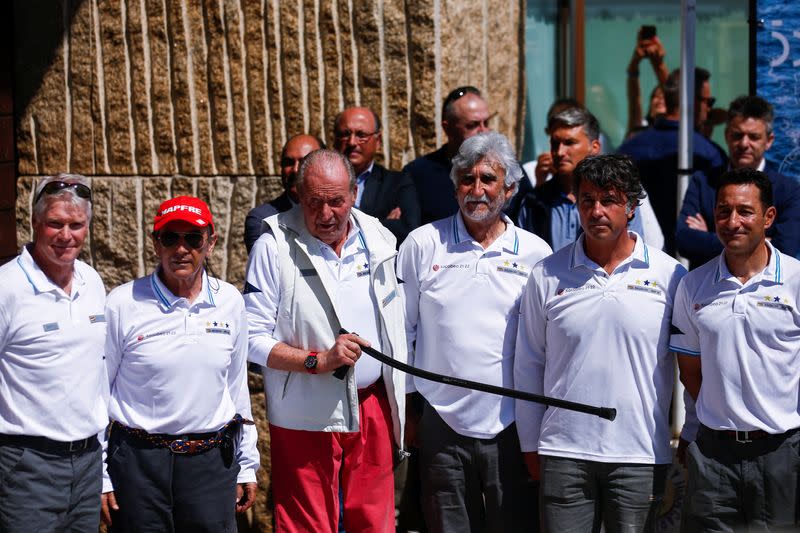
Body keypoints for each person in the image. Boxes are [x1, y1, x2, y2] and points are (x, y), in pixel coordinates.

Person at [515, 154, 686, 532]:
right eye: (587, 199)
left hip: (639, 453)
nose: (597, 211)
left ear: (630, 206)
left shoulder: (670, 275)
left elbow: (689, 368)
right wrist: (530, 444)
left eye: (608, 200)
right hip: (563, 452)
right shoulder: (546, 273)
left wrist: (687, 434)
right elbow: (528, 365)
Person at [244, 149, 406, 533]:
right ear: (299, 194)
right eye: (315, 201)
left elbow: (399, 322)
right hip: (303, 413)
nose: (327, 213)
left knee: (375, 521)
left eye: (336, 201)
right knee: (306, 524)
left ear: (354, 193)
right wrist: (317, 360)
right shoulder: (273, 243)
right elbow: (251, 338)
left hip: (372, 405)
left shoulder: (379, 237)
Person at [397, 132, 551, 532]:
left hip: (512, 422)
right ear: (454, 186)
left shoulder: (536, 254)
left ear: (510, 189)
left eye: (488, 179)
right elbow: (404, 331)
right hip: (440, 421)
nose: (476, 189)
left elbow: (543, 344)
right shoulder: (422, 243)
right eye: (467, 179)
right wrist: (413, 410)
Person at [101, 196, 259, 531]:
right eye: (170, 238)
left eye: (193, 238)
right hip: (138, 463)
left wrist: (247, 464)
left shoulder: (230, 301)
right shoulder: (122, 303)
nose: (181, 249)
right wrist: (102, 475)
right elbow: (99, 393)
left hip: (211, 464)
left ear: (210, 242)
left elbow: (236, 389)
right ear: (156, 244)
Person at [671, 168, 800, 530]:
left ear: (768, 217)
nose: (732, 222)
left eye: (745, 211)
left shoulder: (795, 280)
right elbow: (690, 372)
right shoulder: (693, 285)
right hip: (713, 455)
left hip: (782, 454)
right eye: (723, 212)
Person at [0, 174, 108, 532]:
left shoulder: (93, 281)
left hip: (88, 462)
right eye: (55, 224)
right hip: (26, 465)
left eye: (76, 225)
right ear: (33, 223)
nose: (66, 236)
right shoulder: (7, 288)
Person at [514, 106, 662, 251]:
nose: (559, 152)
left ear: (595, 147)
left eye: (569, 143)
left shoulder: (620, 194)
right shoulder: (533, 202)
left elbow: (634, 250)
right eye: (555, 143)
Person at [676, 95, 800, 267]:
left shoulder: (788, 190)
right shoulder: (703, 181)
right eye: (737, 135)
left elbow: (785, 249)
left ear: (769, 141)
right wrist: (760, 241)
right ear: (726, 135)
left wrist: (710, 236)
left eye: (753, 137)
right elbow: (684, 240)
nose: (744, 143)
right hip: (707, 288)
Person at [618, 67, 727, 255]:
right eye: (707, 101)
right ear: (691, 101)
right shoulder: (709, 153)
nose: (709, 108)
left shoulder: (629, 149)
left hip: (636, 255)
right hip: (695, 261)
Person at [403, 86, 491, 224]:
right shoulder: (417, 174)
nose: (483, 131)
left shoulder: (506, 169)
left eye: (486, 123)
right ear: (447, 127)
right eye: (472, 125)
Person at [333, 106, 420, 244]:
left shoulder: (397, 183)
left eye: (361, 135)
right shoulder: (324, 184)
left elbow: (409, 231)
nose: (352, 142)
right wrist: (382, 225)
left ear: (378, 140)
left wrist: (343, 231)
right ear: (335, 139)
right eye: (345, 134)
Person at [244, 134, 324, 253]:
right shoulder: (262, 219)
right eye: (288, 162)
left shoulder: (345, 213)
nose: (295, 169)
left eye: (304, 162)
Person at [625, 26, 669, 138]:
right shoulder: (639, 132)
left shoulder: (681, 133)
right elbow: (634, 102)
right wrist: (634, 63)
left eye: (663, 96)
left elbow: (672, 92)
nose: (660, 99)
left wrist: (658, 63)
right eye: (655, 96)